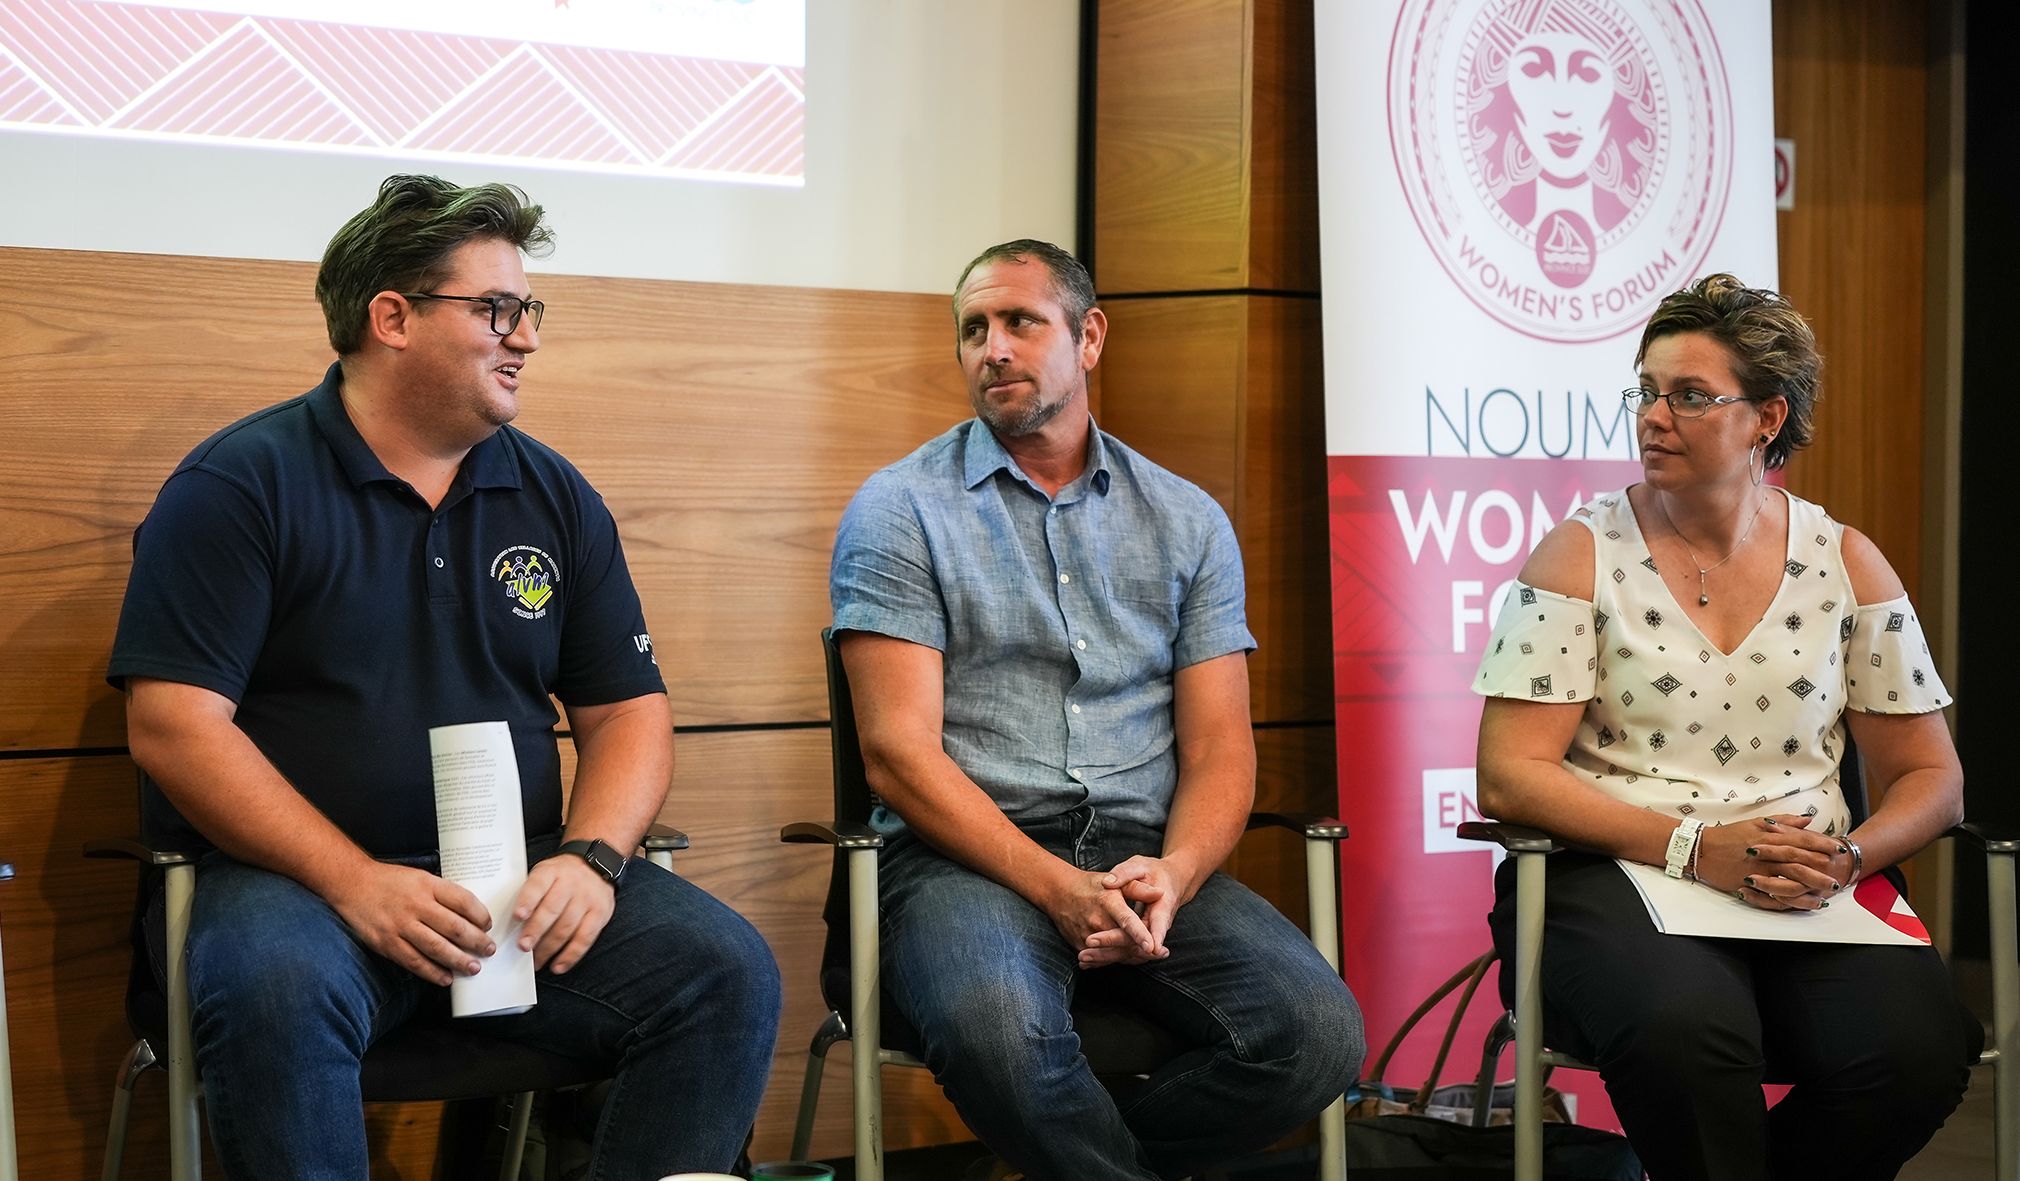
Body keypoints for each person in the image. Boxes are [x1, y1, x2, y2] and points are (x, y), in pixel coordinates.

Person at [107, 175, 779, 1181]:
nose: (527, 337)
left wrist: (591, 859)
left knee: (724, 971)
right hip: (298, 889)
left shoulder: (552, 492)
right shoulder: (238, 485)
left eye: (529, 309)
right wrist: (356, 881)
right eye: (496, 309)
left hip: (512, 878)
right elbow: (174, 726)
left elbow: (628, 712)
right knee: (275, 989)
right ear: (393, 319)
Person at [828, 238, 1365, 1180]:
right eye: (974, 329)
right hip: (966, 857)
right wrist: (1055, 886)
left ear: (1089, 337)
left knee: (1319, 1036)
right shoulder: (900, 509)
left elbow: (1220, 750)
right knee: (1001, 1034)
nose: (993, 348)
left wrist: (1180, 870)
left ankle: (1057, 1163)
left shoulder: (1187, 520)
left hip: (1142, 854)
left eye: (1020, 322)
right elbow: (898, 756)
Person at [1473, 274, 1972, 1180]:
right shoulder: (1581, 554)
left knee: (1919, 1053)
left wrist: (1851, 855)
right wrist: (1694, 846)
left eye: (1690, 396)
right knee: (1687, 1034)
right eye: (1646, 391)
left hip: (1807, 876)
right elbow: (1510, 775)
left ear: (1766, 419)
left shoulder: (1847, 562)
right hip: (1617, 867)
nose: (1653, 417)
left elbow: (1933, 778)